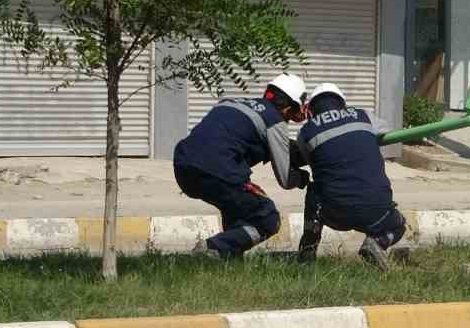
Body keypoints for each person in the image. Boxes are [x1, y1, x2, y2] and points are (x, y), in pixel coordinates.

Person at [173, 73, 309, 259]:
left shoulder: (233, 103)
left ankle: (228, 261)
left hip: (183, 164)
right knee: (267, 218)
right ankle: (211, 249)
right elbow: (285, 179)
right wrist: (301, 178)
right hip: (218, 168)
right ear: (290, 105)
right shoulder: (274, 121)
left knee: (238, 211)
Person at [294, 83, 410, 268]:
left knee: (314, 190)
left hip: (334, 211)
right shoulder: (364, 116)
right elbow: (386, 130)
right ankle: (378, 242)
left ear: (312, 108)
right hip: (376, 210)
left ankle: (307, 251)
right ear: (341, 102)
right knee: (399, 223)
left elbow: (311, 161)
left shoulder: (306, 132)